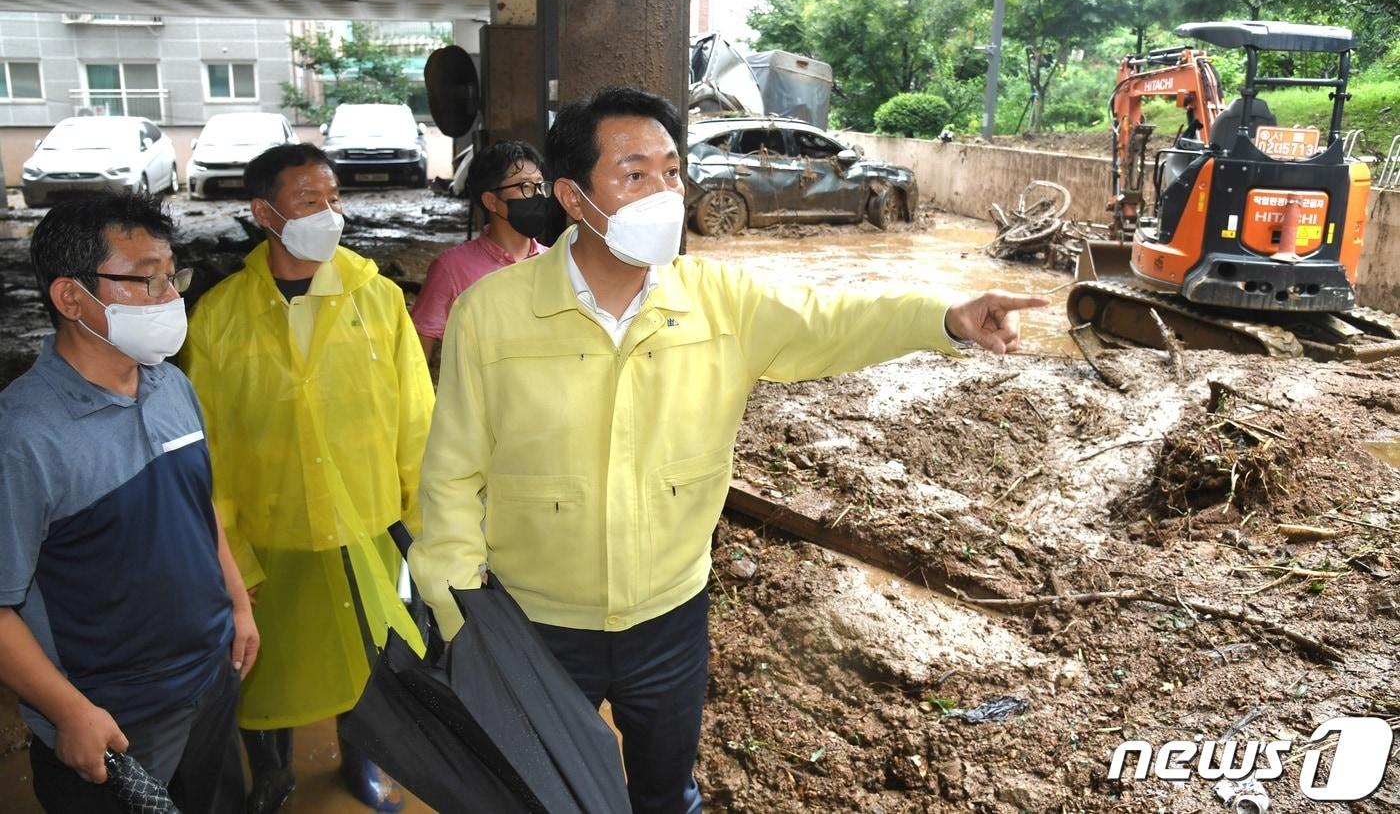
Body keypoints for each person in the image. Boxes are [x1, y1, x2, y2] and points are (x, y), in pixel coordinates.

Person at [409, 87, 1049, 813]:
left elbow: (830, 319)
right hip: (535, 621)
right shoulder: (493, 313)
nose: (665, 193)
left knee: (666, 791)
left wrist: (944, 317)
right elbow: (452, 473)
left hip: (669, 618)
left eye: (673, 172)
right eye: (635, 174)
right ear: (571, 197)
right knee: (536, 792)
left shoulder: (720, 300)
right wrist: (461, 616)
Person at [180, 143, 434, 813]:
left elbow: (415, 415)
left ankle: (364, 764)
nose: (330, 213)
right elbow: (210, 447)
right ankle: (272, 775)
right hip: (273, 528)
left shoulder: (375, 299)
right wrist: (231, 550)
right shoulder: (220, 317)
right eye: (308, 200)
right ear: (264, 212)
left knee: (372, 660)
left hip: (366, 523)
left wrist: (424, 520)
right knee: (269, 669)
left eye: (335, 198)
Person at [0, 193, 257, 813]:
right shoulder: (23, 436)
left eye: (173, 277)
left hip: (211, 673)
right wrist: (69, 711)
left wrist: (239, 604)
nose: (170, 299)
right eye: (145, 280)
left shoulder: (173, 385)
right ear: (70, 298)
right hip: (111, 716)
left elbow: (198, 508)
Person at [411, 140, 552, 365]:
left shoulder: (556, 263)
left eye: (540, 186)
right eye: (524, 186)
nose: (535, 195)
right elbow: (417, 356)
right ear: (491, 201)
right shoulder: (451, 269)